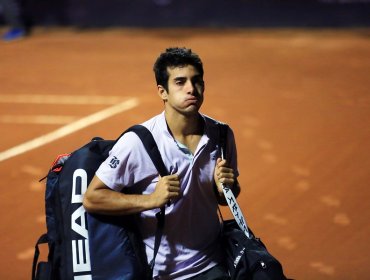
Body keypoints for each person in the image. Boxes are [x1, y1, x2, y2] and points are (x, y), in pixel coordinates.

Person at [83, 47, 241, 280]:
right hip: (163, 272)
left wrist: (226, 187)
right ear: (162, 92)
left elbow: (226, 197)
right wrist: (151, 200)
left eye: (196, 81)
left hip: (213, 263)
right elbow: (92, 198)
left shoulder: (221, 134)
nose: (191, 89)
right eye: (180, 82)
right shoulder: (138, 142)